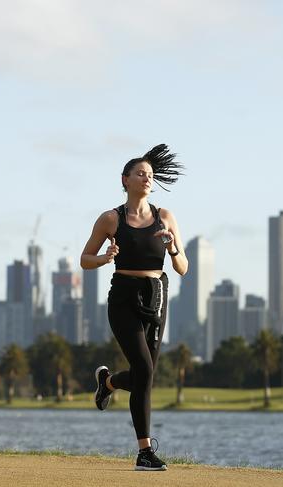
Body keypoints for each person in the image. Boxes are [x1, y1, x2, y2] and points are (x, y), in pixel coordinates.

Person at [80, 144, 188, 471]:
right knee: (143, 368)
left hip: (156, 294)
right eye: (140, 173)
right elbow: (85, 260)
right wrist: (105, 258)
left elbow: (183, 267)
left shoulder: (165, 217)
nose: (146, 178)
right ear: (125, 180)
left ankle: (108, 383)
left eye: (150, 175)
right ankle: (144, 452)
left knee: (146, 374)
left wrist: (171, 249)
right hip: (123, 296)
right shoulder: (110, 219)